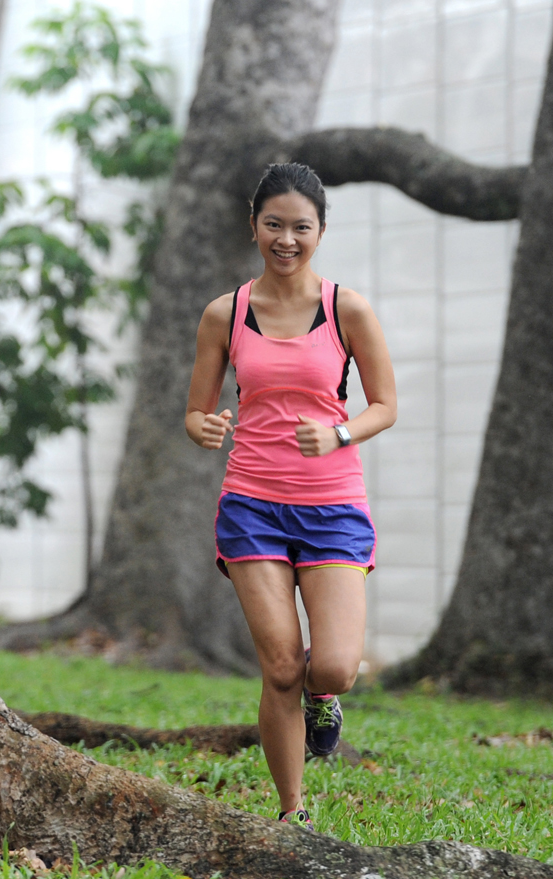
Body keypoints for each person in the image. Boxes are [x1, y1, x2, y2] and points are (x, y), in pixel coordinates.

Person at [184, 163, 397, 829]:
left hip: (333, 505)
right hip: (251, 503)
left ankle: (324, 700)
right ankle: (291, 813)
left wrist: (338, 432)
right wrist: (206, 426)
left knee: (331, 665)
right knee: (280, 666)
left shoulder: (346, 309)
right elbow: (195, 411)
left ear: (320, 232)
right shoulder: (227, 313)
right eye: (273, 224)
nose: (286, 238)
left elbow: (385, 406)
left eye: (300, 227)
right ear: (254, 228)